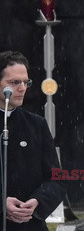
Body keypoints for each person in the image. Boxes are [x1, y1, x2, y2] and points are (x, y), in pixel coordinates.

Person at [0, 51, 65, 231]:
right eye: (14, 82)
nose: (22, 88)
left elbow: (56, 180)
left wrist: (37, 202)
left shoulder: (36, 125)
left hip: (30, 226)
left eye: (25, 82)